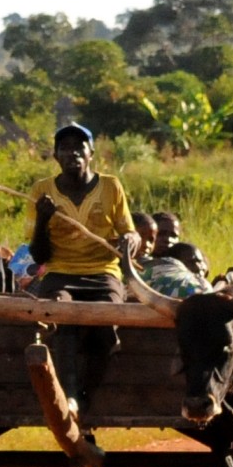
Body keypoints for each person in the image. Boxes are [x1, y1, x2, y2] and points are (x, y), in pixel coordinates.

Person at [27, 122, 141, 419]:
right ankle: (71, 398)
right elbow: (39, 255)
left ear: (91, 154)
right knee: (61, 314)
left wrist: (131, 239)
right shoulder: (42, 191)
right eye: (65, 148)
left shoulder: (110, 186)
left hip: (103, 272)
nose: (72, 154)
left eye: (79, 148)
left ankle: (84, 397)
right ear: (55, 156)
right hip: (60, 272)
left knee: (106, 325)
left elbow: (129, 232)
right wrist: (42, 220)